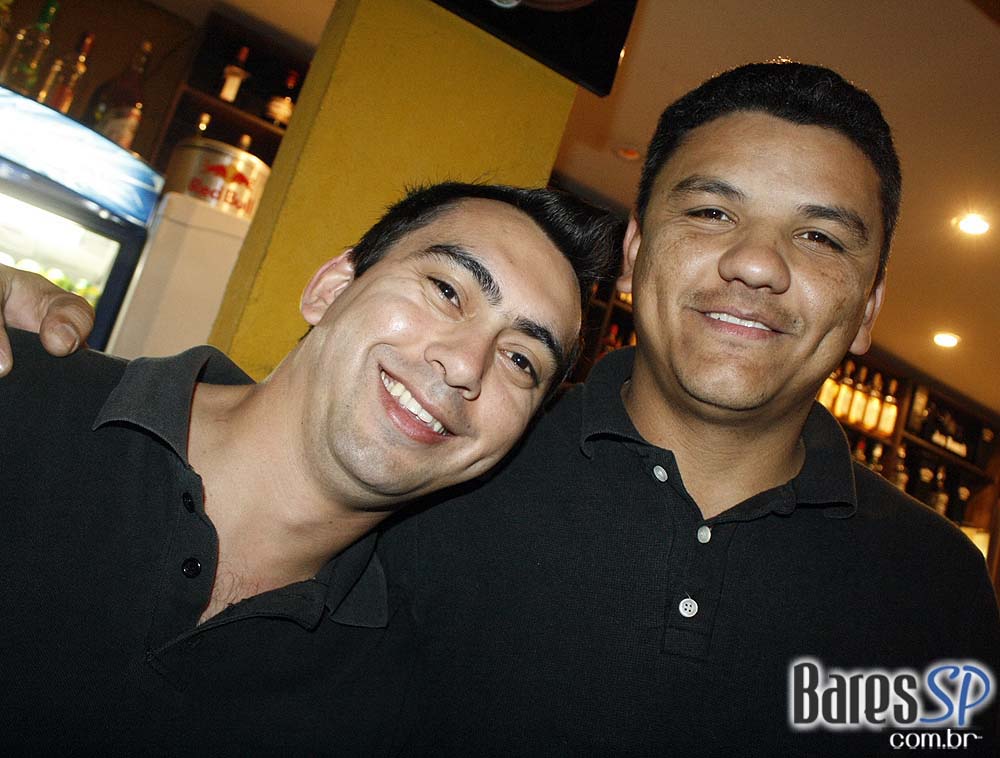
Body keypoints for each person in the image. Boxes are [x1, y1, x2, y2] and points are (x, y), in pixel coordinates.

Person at [7, 62, 1000, 756]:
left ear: (870, 308)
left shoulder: (938, 586)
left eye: (820, 237)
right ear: (636, 257)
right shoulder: (448, 466)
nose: (754, 263)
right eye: (710, 211)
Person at [0, 181, 619, 752]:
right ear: (332, 289)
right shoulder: (20, 393)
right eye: (447, 291)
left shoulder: (385, 703)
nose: (465, 365)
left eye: (521, 361)